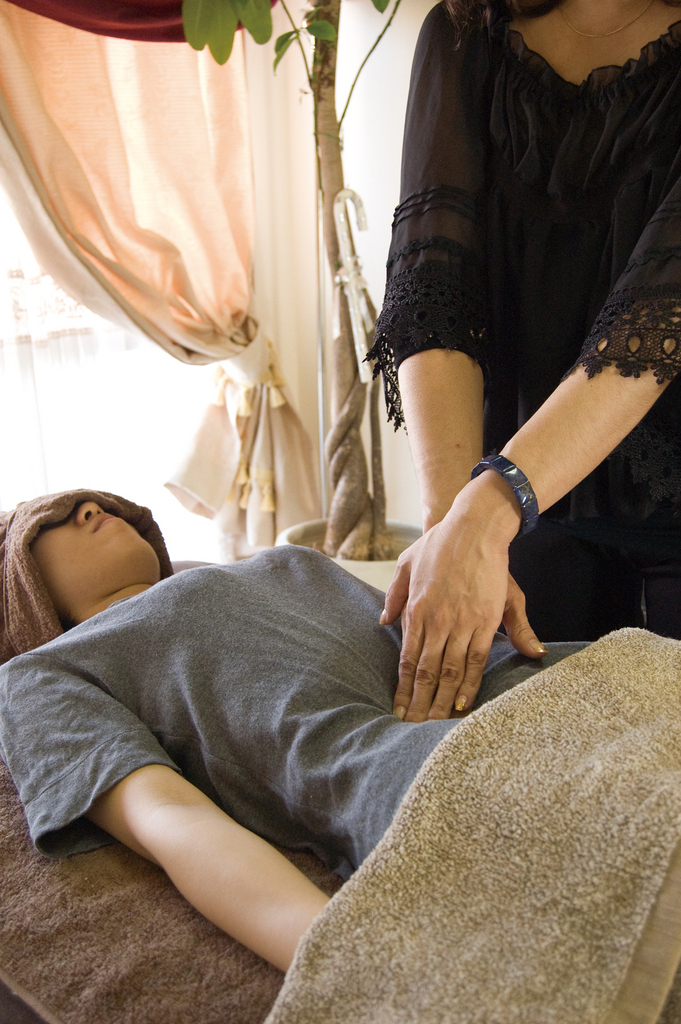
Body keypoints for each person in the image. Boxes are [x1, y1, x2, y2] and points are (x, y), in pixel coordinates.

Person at [0, 490, 583, 971]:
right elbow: (172, 821)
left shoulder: (266, 565)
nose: (93, 509)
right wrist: (347, 969)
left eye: (93, 502)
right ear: (19, 588)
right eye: (50, 519)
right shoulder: (40, 674)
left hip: (566, 677)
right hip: (442, 771)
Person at [369, 0, 681, 727]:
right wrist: (452, 529)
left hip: (547, 494)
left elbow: (656, 315)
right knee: (481, 738)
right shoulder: (460, 34)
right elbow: (434, 288)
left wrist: (487, 509)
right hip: (528, 508)